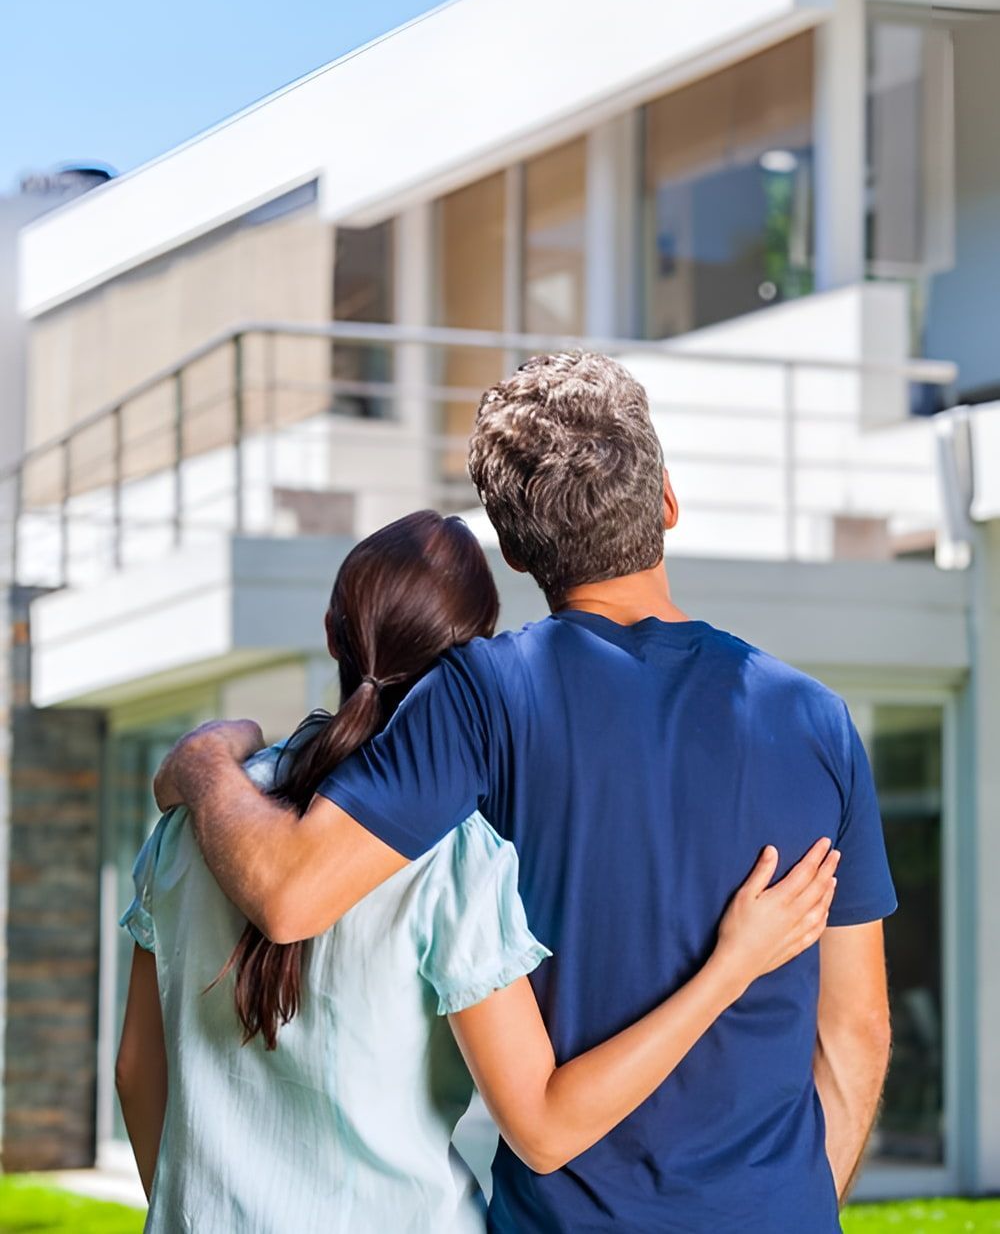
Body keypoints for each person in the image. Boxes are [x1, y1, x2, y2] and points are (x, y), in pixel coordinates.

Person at [152, 353, 896, 1233]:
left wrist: (203, 764)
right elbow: (856, 1034)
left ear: (512, 549)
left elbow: (287, 895)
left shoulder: (479, 697)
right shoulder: (817, 721)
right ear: (666, 502)